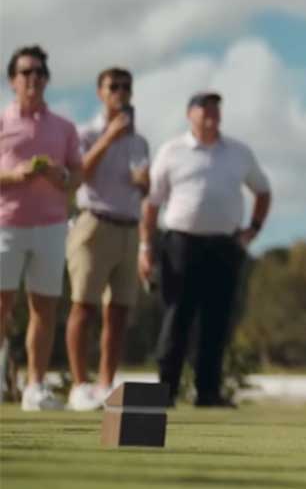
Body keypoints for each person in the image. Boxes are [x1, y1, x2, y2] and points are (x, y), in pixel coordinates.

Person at [139, 91, 272, 407]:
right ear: (190, 114)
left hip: (224, 246)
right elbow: (152, 203)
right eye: (204, 108)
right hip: (181, 244)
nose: (211, 114)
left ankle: (208, 392)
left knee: (217, 320)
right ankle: (165, 391)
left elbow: (263, 191)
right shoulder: (172, 151)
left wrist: (252, 230)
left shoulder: (238, 152)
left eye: (215, 108)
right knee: (177, 317)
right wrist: (146, 247)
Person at [65, 67, 152, 412]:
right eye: (113, 87)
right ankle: (79, 385)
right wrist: (110, 137)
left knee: (118, 312)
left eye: (125, 87)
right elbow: (79, 174)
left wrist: (144, 182)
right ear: (100, 92)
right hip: (94, 224)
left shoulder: (140, 140)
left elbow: (144, 187)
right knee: (83, 307)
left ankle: (104, 384)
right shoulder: (85, 133)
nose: (120, 92)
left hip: (129, 227)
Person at [0, 45, 82, 411]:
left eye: (40, 73)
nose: (34, 79)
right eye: (26, 72)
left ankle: (35, 387)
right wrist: (14, 174)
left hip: (50, 228)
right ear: (12, 81)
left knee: (44, 309)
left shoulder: (63, 127)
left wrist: (57, 173)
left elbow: (76, 176)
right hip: (6, 225)